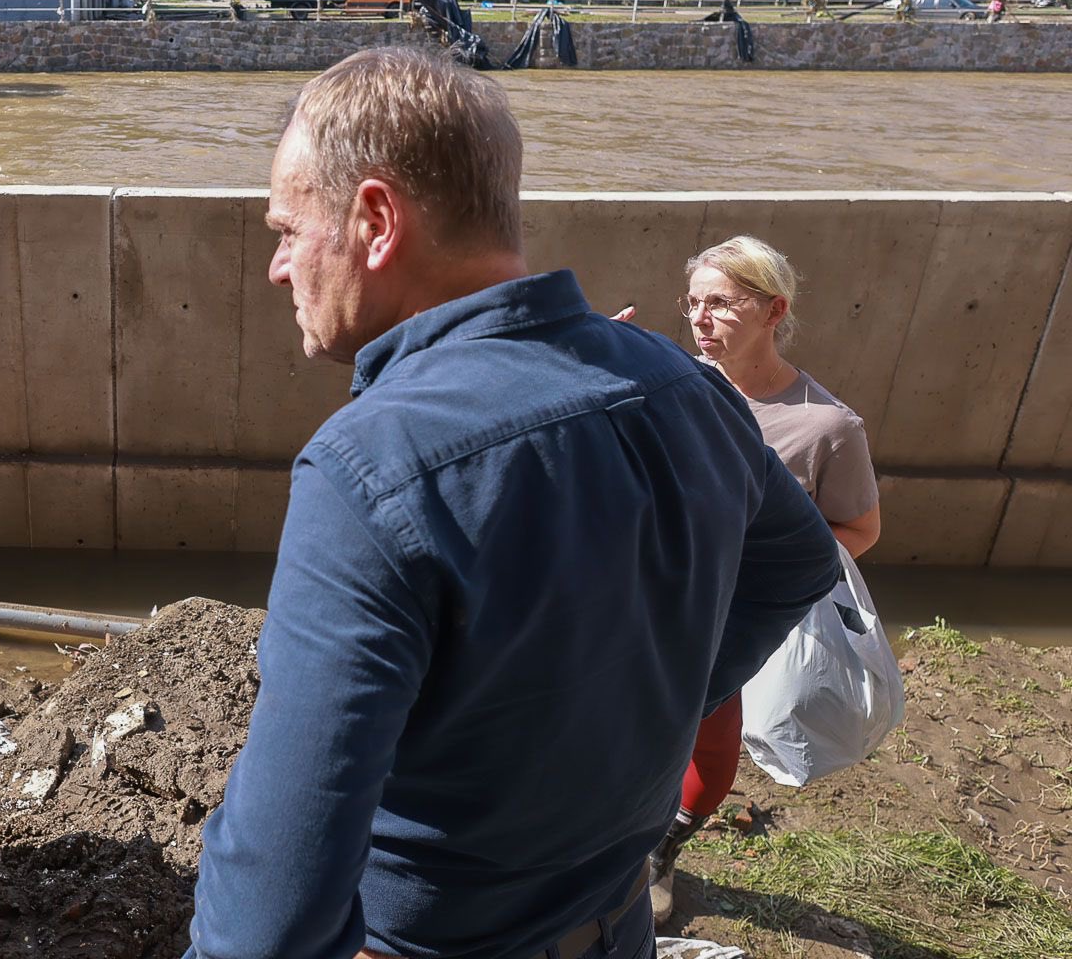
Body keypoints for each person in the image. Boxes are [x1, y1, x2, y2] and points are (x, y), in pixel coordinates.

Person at [184, 47, 841, 959]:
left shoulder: (367, 468)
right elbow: (800, 562)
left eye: (287, 230)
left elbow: (269, 914)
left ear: (376, 220)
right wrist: (665, 698)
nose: (277, 267)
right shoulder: (679, 383)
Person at [649, 236, 881, 924]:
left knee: (709, 745)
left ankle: (660, 851)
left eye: (720, 302)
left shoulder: (826, 426)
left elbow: (860, 531)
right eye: (693, 303)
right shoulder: (669, 384)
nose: (700, 318)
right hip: (646, 596)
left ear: (774, 309)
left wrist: (768, 585)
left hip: (730, 618)